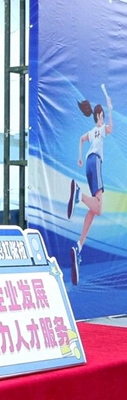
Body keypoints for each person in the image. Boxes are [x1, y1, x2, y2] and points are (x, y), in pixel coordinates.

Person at [66, 87, 113, 285]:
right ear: (100, 116)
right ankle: (79, 195)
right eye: (102, 115)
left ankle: (79, 245)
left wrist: (79, 157)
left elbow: (81, 139)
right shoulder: (101, 129)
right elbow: (110, 128)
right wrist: (110, 108)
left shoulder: (91, 132)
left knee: (93, 210)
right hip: (96, 162)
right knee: (99, 209)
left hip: (87, 164)